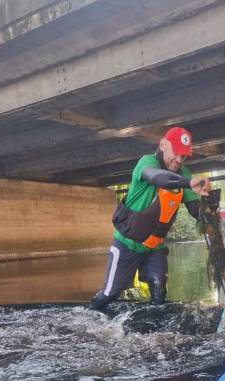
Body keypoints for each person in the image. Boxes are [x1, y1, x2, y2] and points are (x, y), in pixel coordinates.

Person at [89, 127, 211, 310]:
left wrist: (209, 216)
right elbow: (159, 178)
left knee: (159, 291)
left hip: (155, 247)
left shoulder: (184, 173)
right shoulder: (147, 163)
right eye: (176, 153)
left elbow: (195, 208)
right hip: (127, 245)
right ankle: (90, 314)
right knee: (110, 294)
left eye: (183, 156)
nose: (179, 160)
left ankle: (154, 333)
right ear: (162, 145)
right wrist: (188, 183)